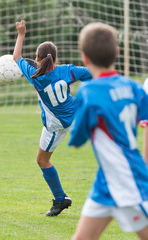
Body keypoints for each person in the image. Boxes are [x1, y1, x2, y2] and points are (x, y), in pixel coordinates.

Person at [69, 22, 148, 239]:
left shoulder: (88, 92)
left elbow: (77, 139)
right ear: (117, 52)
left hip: (128, 180)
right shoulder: (134, 87)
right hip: (105, 183)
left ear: (84, 58)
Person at [13, 20, 92, 216]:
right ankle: (60, 198)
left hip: (56, 125)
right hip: (73, 112)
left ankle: (60, 199)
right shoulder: (67, 70)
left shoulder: (34, 75)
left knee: (42, 161)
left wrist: (21, 34)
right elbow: (92, 74)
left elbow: (16, 57)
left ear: (37, 58)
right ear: (55, 59)